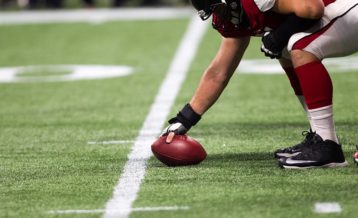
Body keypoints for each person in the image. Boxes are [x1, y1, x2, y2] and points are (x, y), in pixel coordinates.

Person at [162, 0, 358, 169]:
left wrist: (279, 35)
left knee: (299, 45)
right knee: (286, 50)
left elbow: (312, 8)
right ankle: (322, 137)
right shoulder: (236, 12)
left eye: (220, 9)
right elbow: (219, 72)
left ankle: (327, 145)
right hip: (344, 12)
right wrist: (185, 119)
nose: (222, 17)